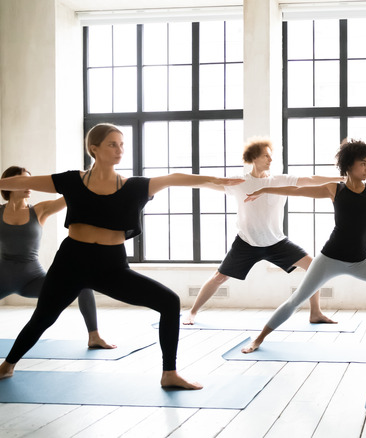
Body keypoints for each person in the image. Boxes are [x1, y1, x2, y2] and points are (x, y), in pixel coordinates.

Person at [0, 123, 242, 389]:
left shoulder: (135, 186)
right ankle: (7, 365)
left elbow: (174, 178)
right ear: (94, 148)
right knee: (42, 318)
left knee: (170, 302)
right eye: (112, 144)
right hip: (71, 262)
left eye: (122, 144)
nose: (120, 150)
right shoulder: (70, 181)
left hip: (111, 266)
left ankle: (169, 373)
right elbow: (22, 181)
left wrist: (215, 181)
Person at [240, 139, 366, 353]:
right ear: (349, 165)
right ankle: (259, 339)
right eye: (363, 163)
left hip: (360, 262)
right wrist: (265, 190)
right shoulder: (335, 189)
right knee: (296, 301)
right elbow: (297, 190)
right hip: (329, 259)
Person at [183, 137, 342, 326]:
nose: (270, 160)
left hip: (277, 242)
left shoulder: (280, 180)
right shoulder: (239, 181)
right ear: (254, 158)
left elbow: (310, 180)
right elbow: (207, 183)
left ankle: (316, 313)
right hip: (247, 242)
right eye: (266, 156)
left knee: (314, 267)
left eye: (270, 156)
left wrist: (341, 178)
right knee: (220, 277)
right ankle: (192, 312)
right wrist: (181, 180)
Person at [0, 166, 114, 349]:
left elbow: (71, 195)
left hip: (33, 280)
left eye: (30, 180)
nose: (28, 185)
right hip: (3, 278)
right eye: (22, 181)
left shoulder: (39, 210)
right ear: (9, 184)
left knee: (83, 283)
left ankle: (94, 336)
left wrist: (89, 176)